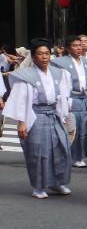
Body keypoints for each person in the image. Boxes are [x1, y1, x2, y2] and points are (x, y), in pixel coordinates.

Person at [4, 38, 72, 199]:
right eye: (40, 54)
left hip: (53, 114)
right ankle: (38, 186)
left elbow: (63, 96)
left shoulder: (58, 73)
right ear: (33, 57)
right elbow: (20, 99)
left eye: (47, 53)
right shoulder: (26, 76)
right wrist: (22, 122)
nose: (44, 57)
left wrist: (64, 115)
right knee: (38, 152)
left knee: (60, 149)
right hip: (35, 115)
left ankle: (57, 182)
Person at [50, 35, 87, 168]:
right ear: (68, 49)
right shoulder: (61, 62)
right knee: (73, 128)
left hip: (84, 97)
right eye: (75, 46)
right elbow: (60, 84)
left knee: (86, 128)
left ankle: (79, 155)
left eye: (80, 45)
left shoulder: (86, 62)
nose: (78, 48)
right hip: (71, 98)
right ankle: (71, 155)